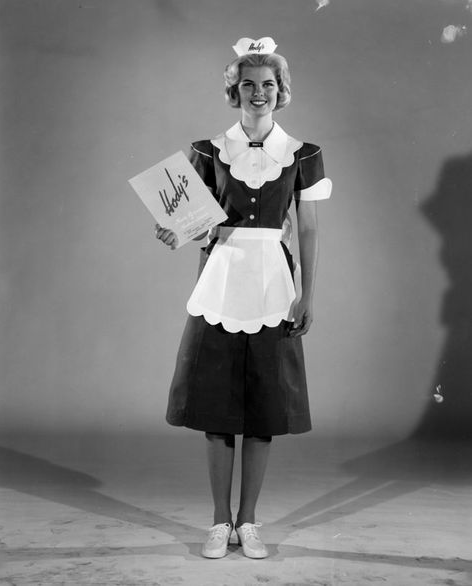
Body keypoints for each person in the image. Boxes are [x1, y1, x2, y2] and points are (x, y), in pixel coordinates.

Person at [155, 36, 332, 559]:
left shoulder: (304, 154)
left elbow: (309, 230)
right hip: (222, 283)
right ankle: (218, 522)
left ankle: (248, 523)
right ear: (234, 92)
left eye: (269, 85)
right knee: (216, 408)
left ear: (282, 92)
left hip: (274, 286)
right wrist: (174, 231)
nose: (259, 94)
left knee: (263, 411)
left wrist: (306, 295)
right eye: (248, 85)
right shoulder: (208, 151)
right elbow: (193, 222)